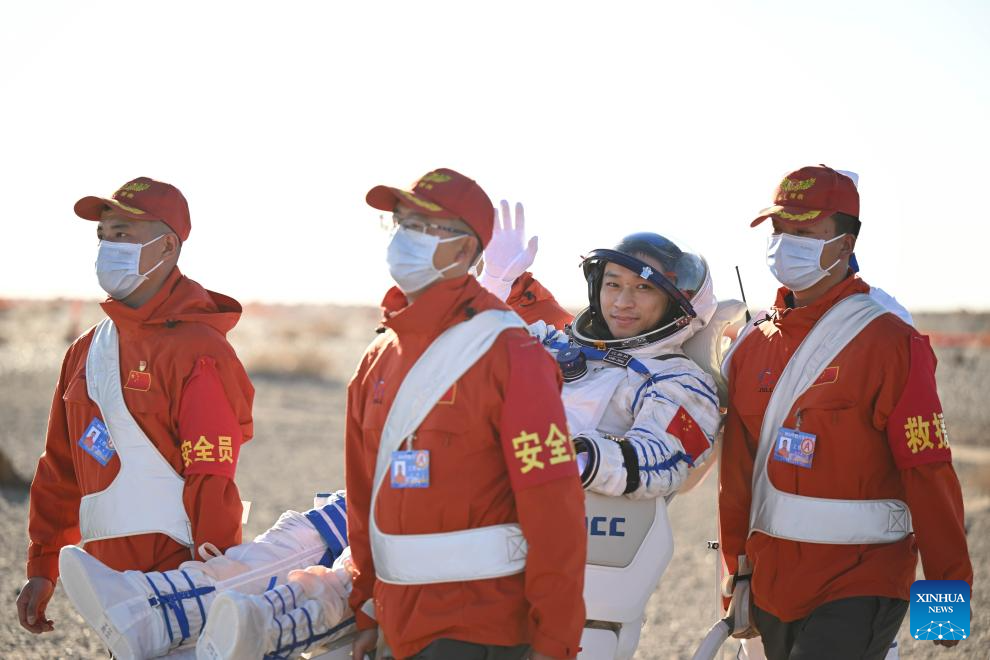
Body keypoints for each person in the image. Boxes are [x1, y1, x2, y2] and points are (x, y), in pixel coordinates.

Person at [718, 164, 973, 660]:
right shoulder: (752, 345)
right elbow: (737, 477)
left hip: (862, 579)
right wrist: (737, 574)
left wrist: (944, 603)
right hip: (773, 583)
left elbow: (929, 473)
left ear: (845, 244)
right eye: (780, 229)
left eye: (805, 231)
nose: (786, 244)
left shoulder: (890, 343)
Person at [348, 168, 587, 660]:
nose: (404, 238)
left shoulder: (511, 354)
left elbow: (553, 506)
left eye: (423, 226)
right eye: (401, 223)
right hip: (397, 623)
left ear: (464, 249)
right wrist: (366, 606)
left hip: (481, 628)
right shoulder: (378, 358)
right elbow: (362, 496)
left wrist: (556, 637)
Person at [478, 202, 726, 659]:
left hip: (558, 552)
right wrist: (492, 283)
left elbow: (659, 460)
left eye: (643, 288)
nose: (622, 301)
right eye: (613, 284)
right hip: (487, 525)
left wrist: (565, 455)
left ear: (676, 302)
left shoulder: (679, 381)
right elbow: (461, 362)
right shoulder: (557, 343)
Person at [16, 177, 255, 641]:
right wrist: (43, 564)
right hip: (109, 590)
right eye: (103, 235)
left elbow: (211, 476)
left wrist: (212, 583)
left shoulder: (198, 349)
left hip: (178, 583)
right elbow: (60, 468)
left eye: (123, 234)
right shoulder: (86, 350)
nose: (109, 247)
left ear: (167, 246)